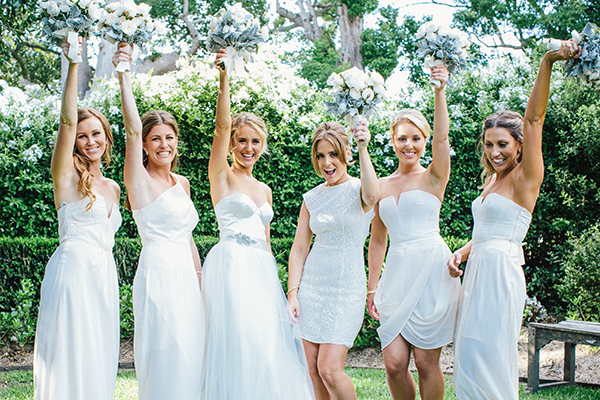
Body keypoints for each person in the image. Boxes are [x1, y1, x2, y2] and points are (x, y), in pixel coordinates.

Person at [447, 40, 581, 399]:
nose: (495, 153)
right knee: (468, 353)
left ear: (519, 144)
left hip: (500, 275)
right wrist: (462, 252)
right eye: (489, 145)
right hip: (477, 271)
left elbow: (535, 118)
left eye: (503, 144)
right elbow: (489, 233)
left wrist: (548, 61)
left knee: (489, 352)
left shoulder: (526, 177)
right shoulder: (491, 180)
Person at [202, 49, 314, 399]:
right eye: (241, 141)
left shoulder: (265, 189)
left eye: (255, 141)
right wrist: (224, 77)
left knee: (266, 344)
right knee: (240, 340)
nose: (248, 148)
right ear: (232, 144)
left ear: (262, 145)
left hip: (261, 270)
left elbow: (266, 241)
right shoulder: (221, 176)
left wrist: (278, 286)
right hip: (231, 264)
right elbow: (221, 125)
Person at [113, 43, 205, 400]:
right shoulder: (138, 179)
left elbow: (190, 238)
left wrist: (200, 283)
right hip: (159, 272)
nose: (163, 144)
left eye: (169, 137)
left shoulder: (182, 183)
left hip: (186, 272)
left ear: (176, 142)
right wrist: (124, 75)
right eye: (156, 139)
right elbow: (132, 130)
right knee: (167, 350)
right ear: (146, 146)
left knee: (194, 350)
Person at [34, 38, 121, 399]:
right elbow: (67, 119)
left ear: (106, 136)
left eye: (96, 134)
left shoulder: (114, 187)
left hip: (104, 275)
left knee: (98, 353)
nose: (89, 141)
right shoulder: (66, 175)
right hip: (72, 271)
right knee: (70, 352)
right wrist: (73, 62)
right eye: (82, 137)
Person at [367, 65, 460, 400]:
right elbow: (378, 240)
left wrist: (439, 91)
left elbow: (443, 138)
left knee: (424, 361)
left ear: (424, 141)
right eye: (402, 138)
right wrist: (371, 287)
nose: (409, 145)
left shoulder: (435, 176)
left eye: (416, 138)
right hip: (396, 274)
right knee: (393, 362)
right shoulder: (379, 186)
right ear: (392, 140)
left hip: (431, 269)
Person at [287, 120, 379, 400]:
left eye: (334, 155)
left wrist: (363, 147)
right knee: (312, 370)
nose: (327, 163)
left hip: (345, 289)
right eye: (320, 155)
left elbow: (373, 194)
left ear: (347, 154)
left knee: (329, 369)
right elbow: (299, 248)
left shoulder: (360, 191)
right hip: (311, 289)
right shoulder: (311, 198)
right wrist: (293, 293)